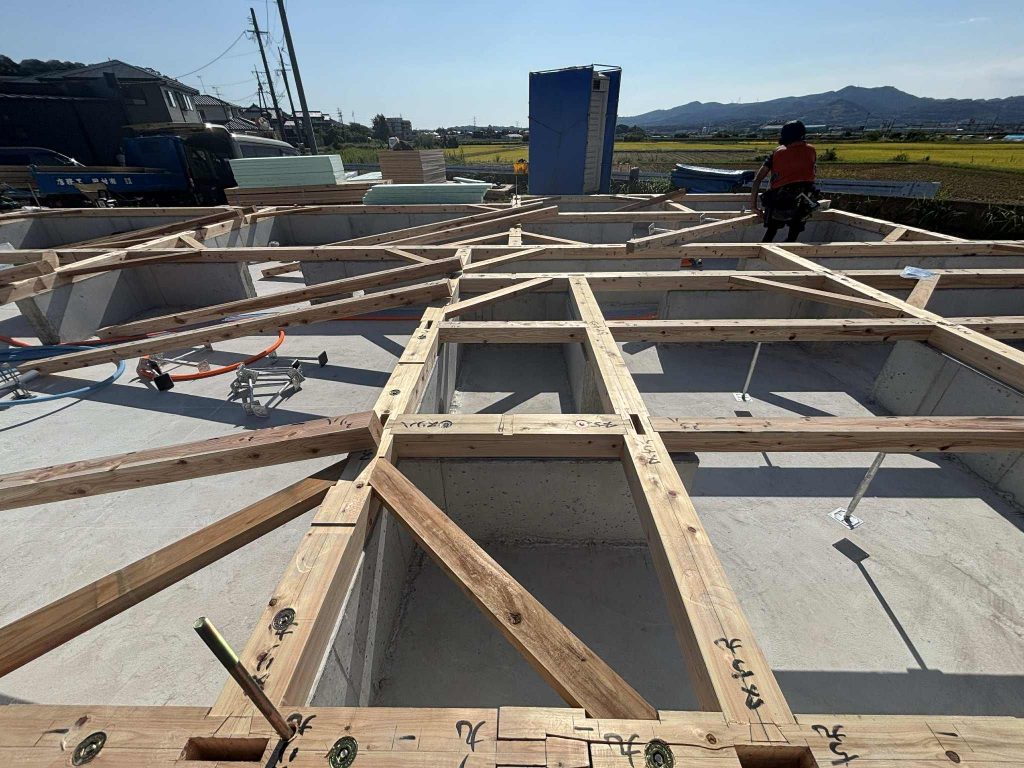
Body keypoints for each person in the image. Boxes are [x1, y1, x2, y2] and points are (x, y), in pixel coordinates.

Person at [750, 120, 818, 242]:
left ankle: (765, 249)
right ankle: (787, 246)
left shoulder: (778, 153)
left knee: (771, 232)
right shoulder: (811, 150)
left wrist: (754, 206)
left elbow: (757, 180)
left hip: (780, 201)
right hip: (804, 200)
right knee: (793, 235)